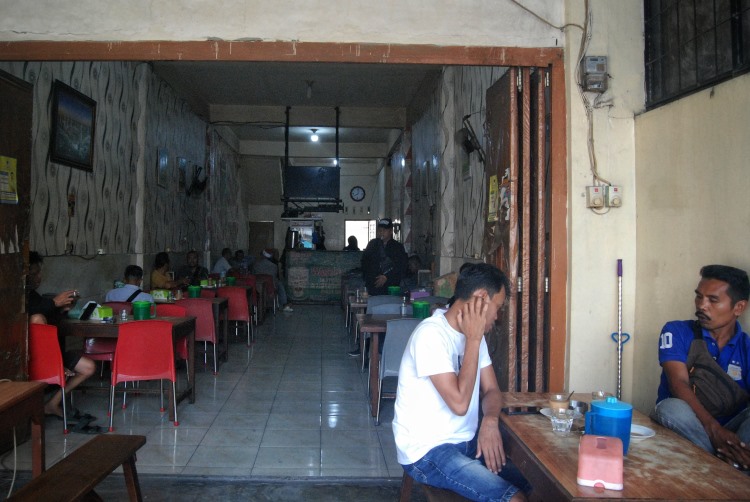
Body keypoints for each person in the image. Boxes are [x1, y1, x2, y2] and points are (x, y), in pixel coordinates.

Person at [393, 263, 528, 501]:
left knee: (533, 485)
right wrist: (473, 340)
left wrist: (490, 419)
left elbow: (493, 390)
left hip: (467, 441)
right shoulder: (430, 335)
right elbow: (459, 404)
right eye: (497, 307)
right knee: (513, 498)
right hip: (428, 451)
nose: (496, 317)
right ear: (481, 298)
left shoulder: (476, 338)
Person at [651, 264, 750, 470]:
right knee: (671, 408)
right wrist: (713, 430)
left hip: (733, 433)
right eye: (699, 297)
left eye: (713, 300)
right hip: (690, 426)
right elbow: (678, 384)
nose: (701, 305)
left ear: (738, 308)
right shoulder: (677, 331)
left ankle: (730, 461)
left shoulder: (746, 347)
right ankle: (726, 469)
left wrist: (726, 435)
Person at [27, 251, 98, 430]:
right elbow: (36, 314)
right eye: (34, 273)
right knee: (36, 319)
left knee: (89, 368)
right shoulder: (20, 300)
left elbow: (50, 321)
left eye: (38, 272)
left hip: (53, 353)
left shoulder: (35, 296)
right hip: (38, 357)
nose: (39, 277)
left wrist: (61, 309)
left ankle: (52, 404)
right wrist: (53, 304)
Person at [361, 218, 408, 296]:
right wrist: (369, 278)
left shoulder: (397, 247)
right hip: (373, 286)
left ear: (390, 231)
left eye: (384, 230)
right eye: (380, 230)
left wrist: (386, 277)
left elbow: (401, 266)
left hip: (390, 288)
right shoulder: (372, 244)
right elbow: (365, 262)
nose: (381, 232)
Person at [254, 248, 293, 313]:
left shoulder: (256, 265)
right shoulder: (273, 266)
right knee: (280, 284)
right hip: (271, 286)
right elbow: (275, 276)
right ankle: (284, 303)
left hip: (258, 286)